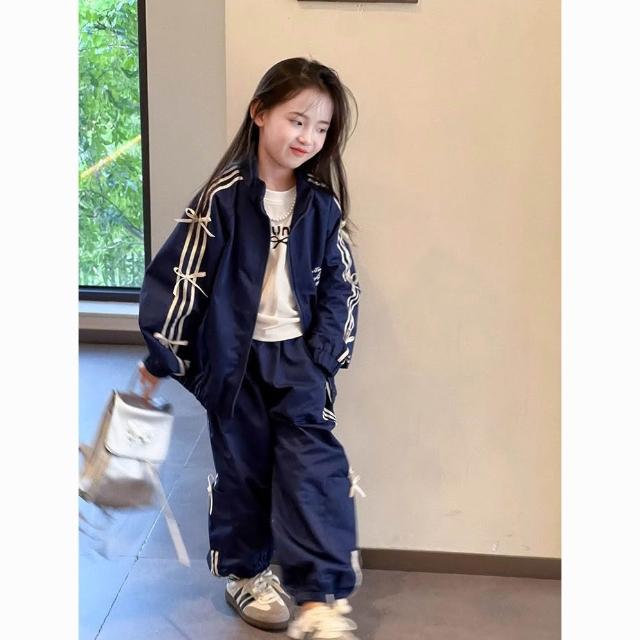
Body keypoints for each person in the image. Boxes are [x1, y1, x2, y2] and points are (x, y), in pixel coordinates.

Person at [137, 56, 365, 639]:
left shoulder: (322, 206)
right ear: (260, 113)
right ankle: (248, 574)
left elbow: (342, 285)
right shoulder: (223, 198)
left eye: (321, 128)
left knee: (314, 468)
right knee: (243, 471)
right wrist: (162, 355)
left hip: (298, 361)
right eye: (297, 120)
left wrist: (323, 357)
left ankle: (319, 595)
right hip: (236, 363)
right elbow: (182, 275)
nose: (307, 138)